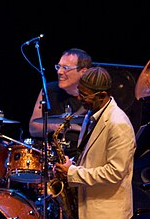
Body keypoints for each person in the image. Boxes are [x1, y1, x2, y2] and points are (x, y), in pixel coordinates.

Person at [54, 66, 136, 219]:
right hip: (89, 208)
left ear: (102, 95)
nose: (79, 98)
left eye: (84, 95)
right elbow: (91, 157)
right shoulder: (91, 115)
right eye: (79, 92)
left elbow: (114, 173)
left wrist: (72, 172)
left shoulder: (119, 125)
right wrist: (69, 164)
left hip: (108, 213)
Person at [28, 48, 93, 157]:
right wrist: (55, 126)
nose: (59, 72)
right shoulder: (49, 90)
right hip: (51, 157)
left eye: (65, 68)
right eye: (59, 67)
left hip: (82, 159)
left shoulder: (93, 97)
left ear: (83, 72)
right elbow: (33, 128)